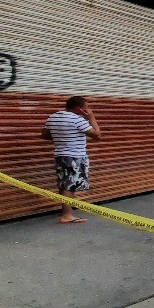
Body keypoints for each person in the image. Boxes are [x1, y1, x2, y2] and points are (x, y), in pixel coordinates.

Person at [41, 96, 101, 224]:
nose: (88, 110)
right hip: (75, 156)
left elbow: (45, 135)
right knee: (70, 185)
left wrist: (62, 138)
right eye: (86, 108)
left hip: (60, 155)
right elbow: (97, 135)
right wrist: (91, 118)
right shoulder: (77, 119)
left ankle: (66, 211)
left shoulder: (53, 117)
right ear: (79, 109)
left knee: (64, 184)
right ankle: (67, 215)